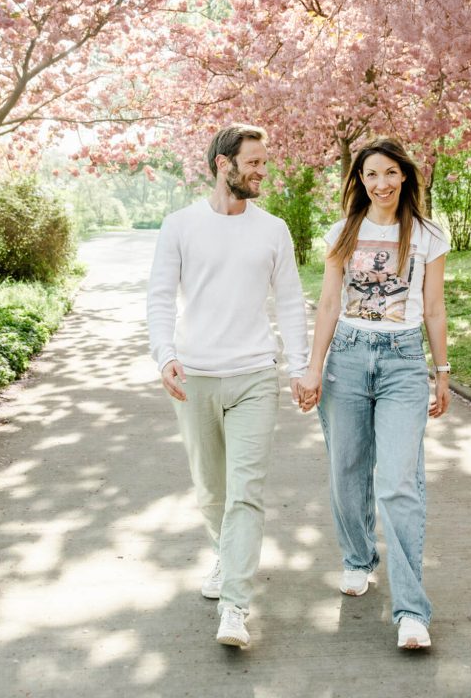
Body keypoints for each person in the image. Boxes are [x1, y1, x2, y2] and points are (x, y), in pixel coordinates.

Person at [147, 124, 309, 649]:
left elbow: (289, 302)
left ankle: (236, 606)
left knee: (246, 492)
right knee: (212, 491)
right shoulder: (179, 226)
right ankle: (224, 554)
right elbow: (158, 299)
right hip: (195, 378)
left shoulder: (273, 230)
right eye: (254, 162)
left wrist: (299, 367)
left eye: (265, 162)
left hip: (254, 376)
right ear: (223, 164)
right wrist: (165, 356)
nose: (263, 171)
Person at [297, 137, 450, 650]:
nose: (380, 183)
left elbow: (432, 309)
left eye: (389, 173)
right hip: (346, 356)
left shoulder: (428, 234)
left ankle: (411, 610)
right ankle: (358, 558)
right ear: (359, 182)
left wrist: (442, 371)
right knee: (346, 469)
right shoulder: (344, 232)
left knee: (398, 481)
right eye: (370, 176)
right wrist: (313, 368)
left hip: (403, 362)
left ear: (404, 175)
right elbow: (326, 305)